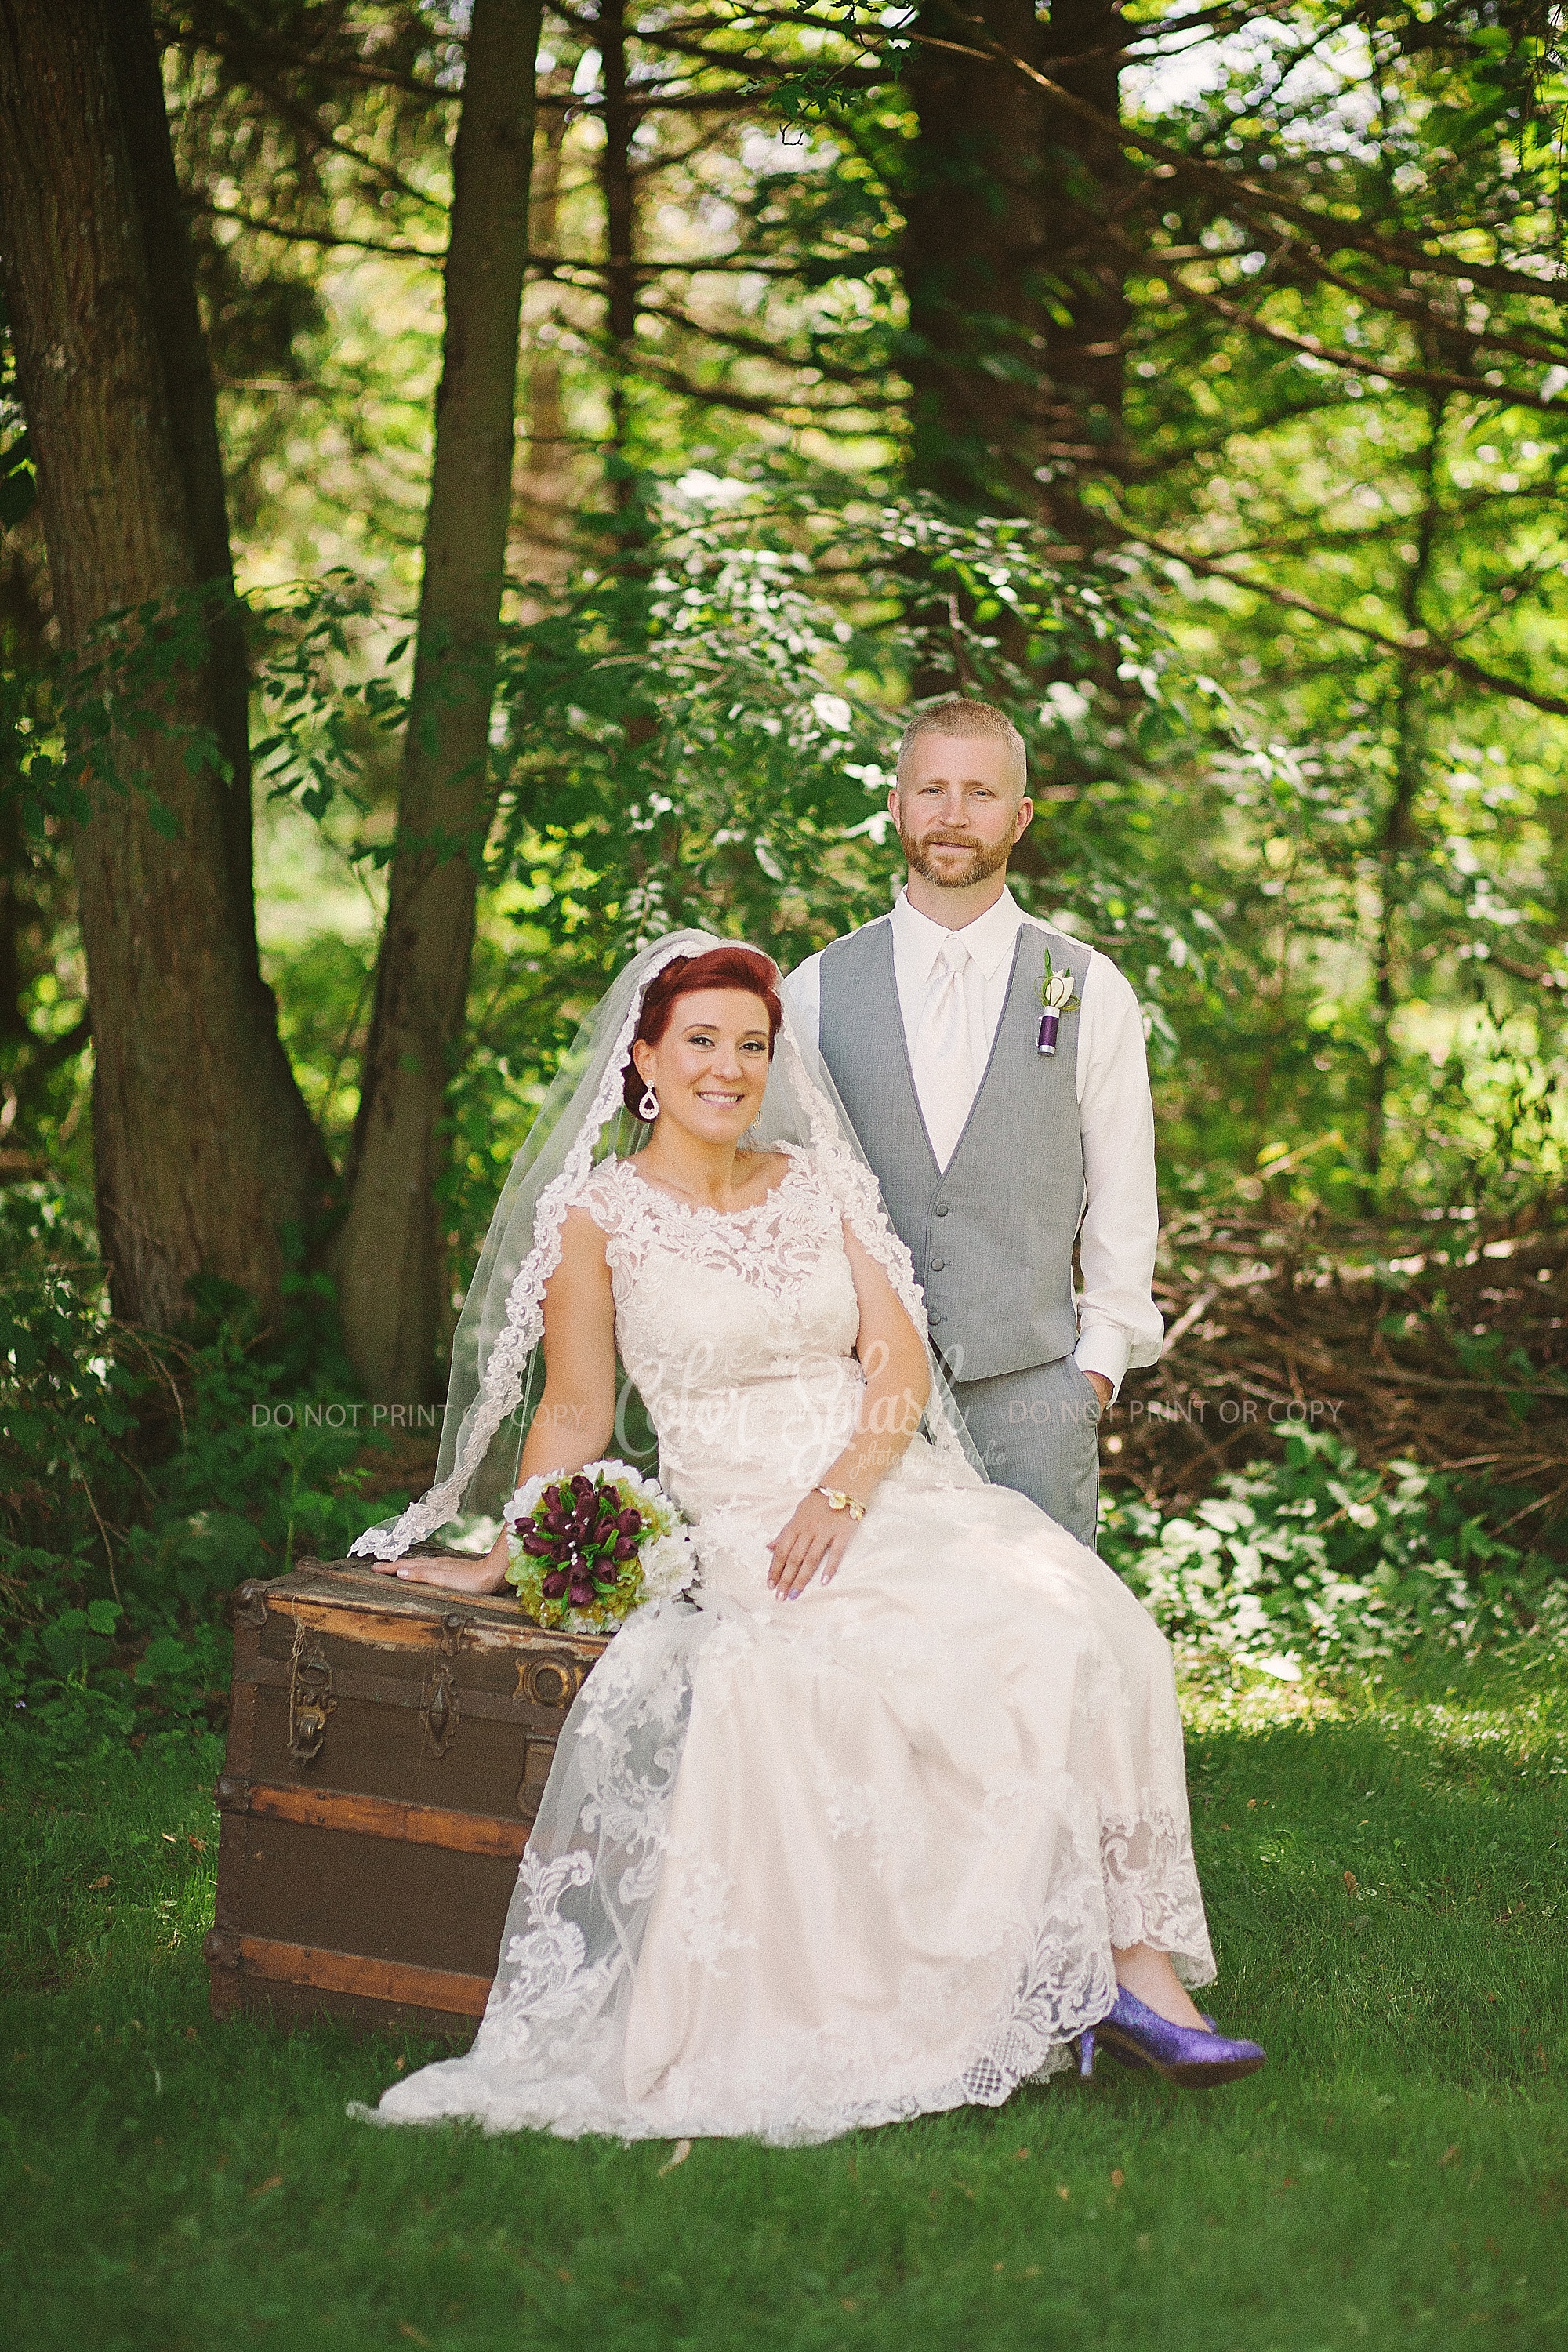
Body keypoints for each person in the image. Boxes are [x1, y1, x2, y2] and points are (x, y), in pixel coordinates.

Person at [347, 937, 1263, 2146]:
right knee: (901, 1682)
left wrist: (845, 1488)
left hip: (885, 1485)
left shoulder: (817, 1180)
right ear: (645, 1062)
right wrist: (506, 1548)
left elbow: (895, 1360)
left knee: (1096, 1627)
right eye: (702, 1043)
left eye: (752, 1045)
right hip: (747, 1522)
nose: (730, 1068)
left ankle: (1131, 1975)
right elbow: (573, 1406)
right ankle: (1070, 1985)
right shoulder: (598, 1215)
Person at [789, 695, 1162, 1547]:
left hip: (1031, 1400)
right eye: (931, 790)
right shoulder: (811, 990)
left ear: (1020, 816)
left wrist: (1093, 1376)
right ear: (895, 806)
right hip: (851, 1400)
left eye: (980, 794)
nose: (952, 815)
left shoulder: (1088, 988)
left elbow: (1122, 1198)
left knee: (1036, 1656)